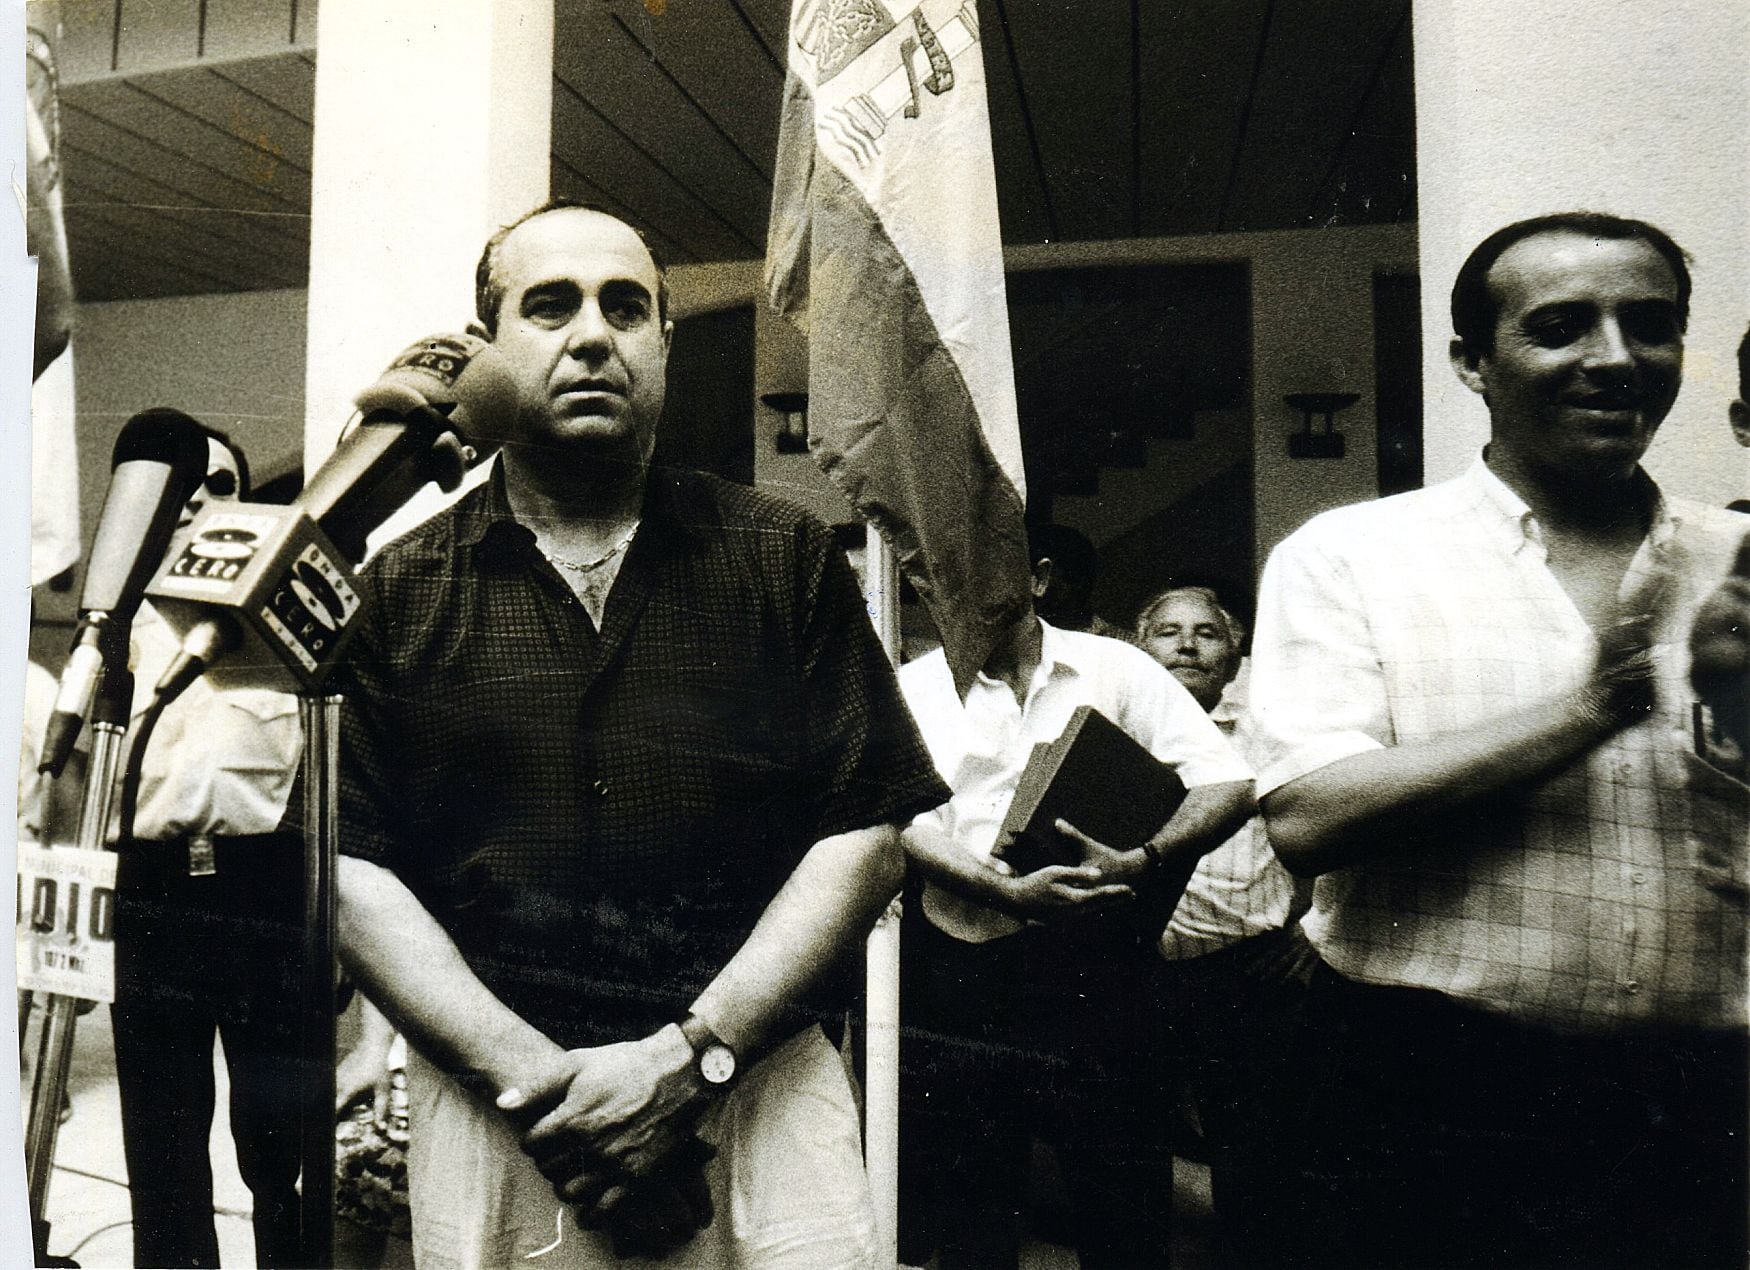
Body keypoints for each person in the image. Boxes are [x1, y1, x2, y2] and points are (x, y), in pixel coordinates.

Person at [329, 199, 947, 1267]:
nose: (590, 336)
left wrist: (689, 1060)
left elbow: (864, 835)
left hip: (760, 1093)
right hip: (502, 1110)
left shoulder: (780, 556)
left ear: (664, 343)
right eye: (550, 305)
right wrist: (543, 1085)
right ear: (489, 348)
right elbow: (352, 869)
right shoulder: (398, 586)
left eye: (626, 307)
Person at [1249, 212, 1748, 1268]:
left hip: (1698, 1103)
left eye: (1649, 327)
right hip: (1424, 1091)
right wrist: (1586, 712)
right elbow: (1305, 815)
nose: (1614, 359)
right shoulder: (1353, 557)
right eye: (1561, 327)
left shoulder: (1737, 559)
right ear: (1471, 361)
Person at [896, 561, 1253, 1268]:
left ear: (1037, 579)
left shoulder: (1113, 666)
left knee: (1122, 1197)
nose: (961, 588)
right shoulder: (911, 687)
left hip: (1097, 963)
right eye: (940, 576)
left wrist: (1147, 857)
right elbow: (898, 817)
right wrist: (997, 889)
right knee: (970, 1209)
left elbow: (1228, 781)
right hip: (957, 965)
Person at [107, 431, 308, 1269]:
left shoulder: (283, 623)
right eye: (175, 485)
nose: (190, 498)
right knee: (162, 1133)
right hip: (151, 891)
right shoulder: (119, 625)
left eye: (212, 481)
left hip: (259, 886)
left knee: (282, 1135)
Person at [1134, 585, 1317, 1269]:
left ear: (1235, 652)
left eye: (1207, 633)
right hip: (1138, 969)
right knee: (1134, 1150)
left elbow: (1325, 822)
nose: (1187, 644)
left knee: (1258, 1156)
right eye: (1168, 631)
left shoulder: (1273, 731)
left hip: (1251, 968)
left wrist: (1317, 926)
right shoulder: (1115, 727)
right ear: (1141, 646)